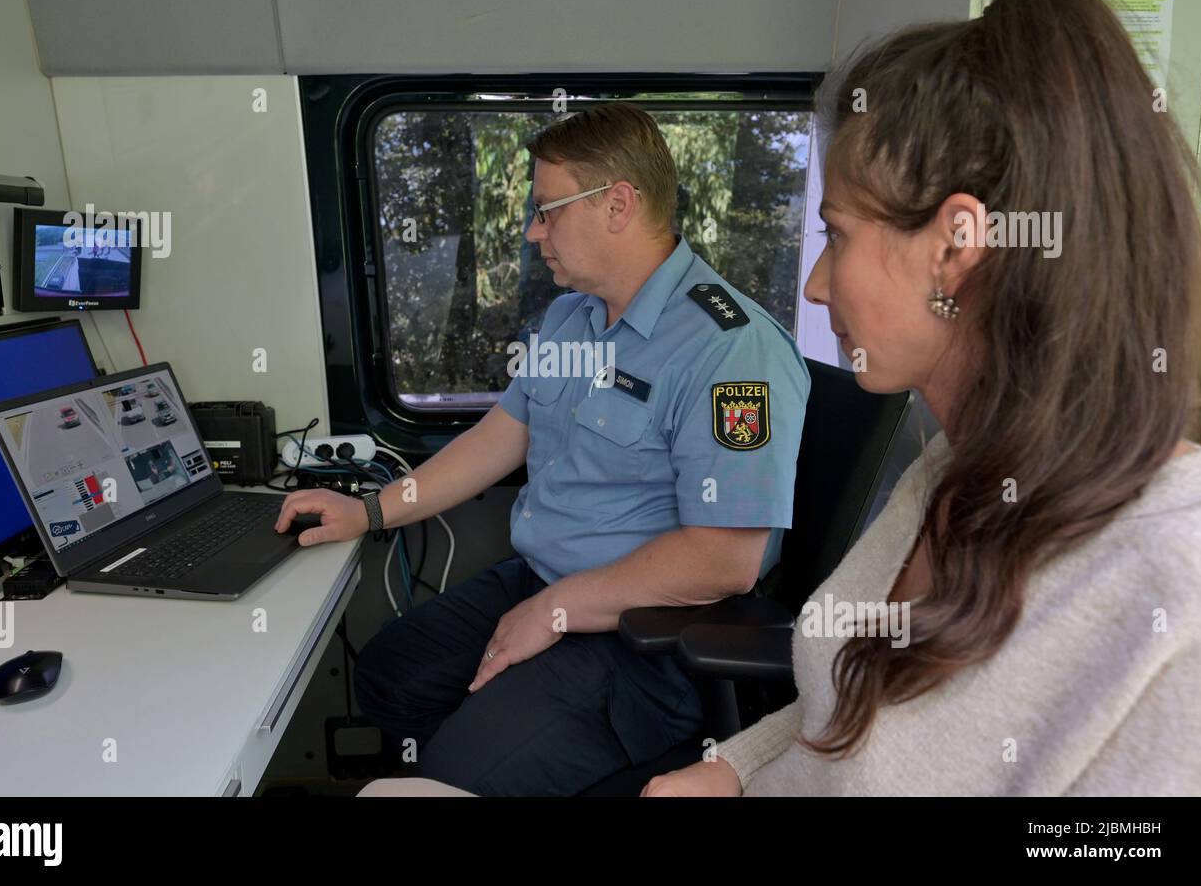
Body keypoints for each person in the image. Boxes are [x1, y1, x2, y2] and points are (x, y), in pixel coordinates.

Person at [642, 0, 1201, 797]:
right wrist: (731, 768)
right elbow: (849, 710)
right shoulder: (950, 469)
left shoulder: (1177, 581)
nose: (815, 287)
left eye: (837, 236)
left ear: (953, 246)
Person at [275, 102, 809, 795]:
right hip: (540, 580)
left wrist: (558, 610)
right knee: (387, 674)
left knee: (453, 770)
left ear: (618, 205)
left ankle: (473, 769)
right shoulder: (571, 315)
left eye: (548, 210)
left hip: (648, 638)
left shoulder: (732, 349)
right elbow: (502, 434)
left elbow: (724, 558)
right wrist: (371, 511)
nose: (533, 232)